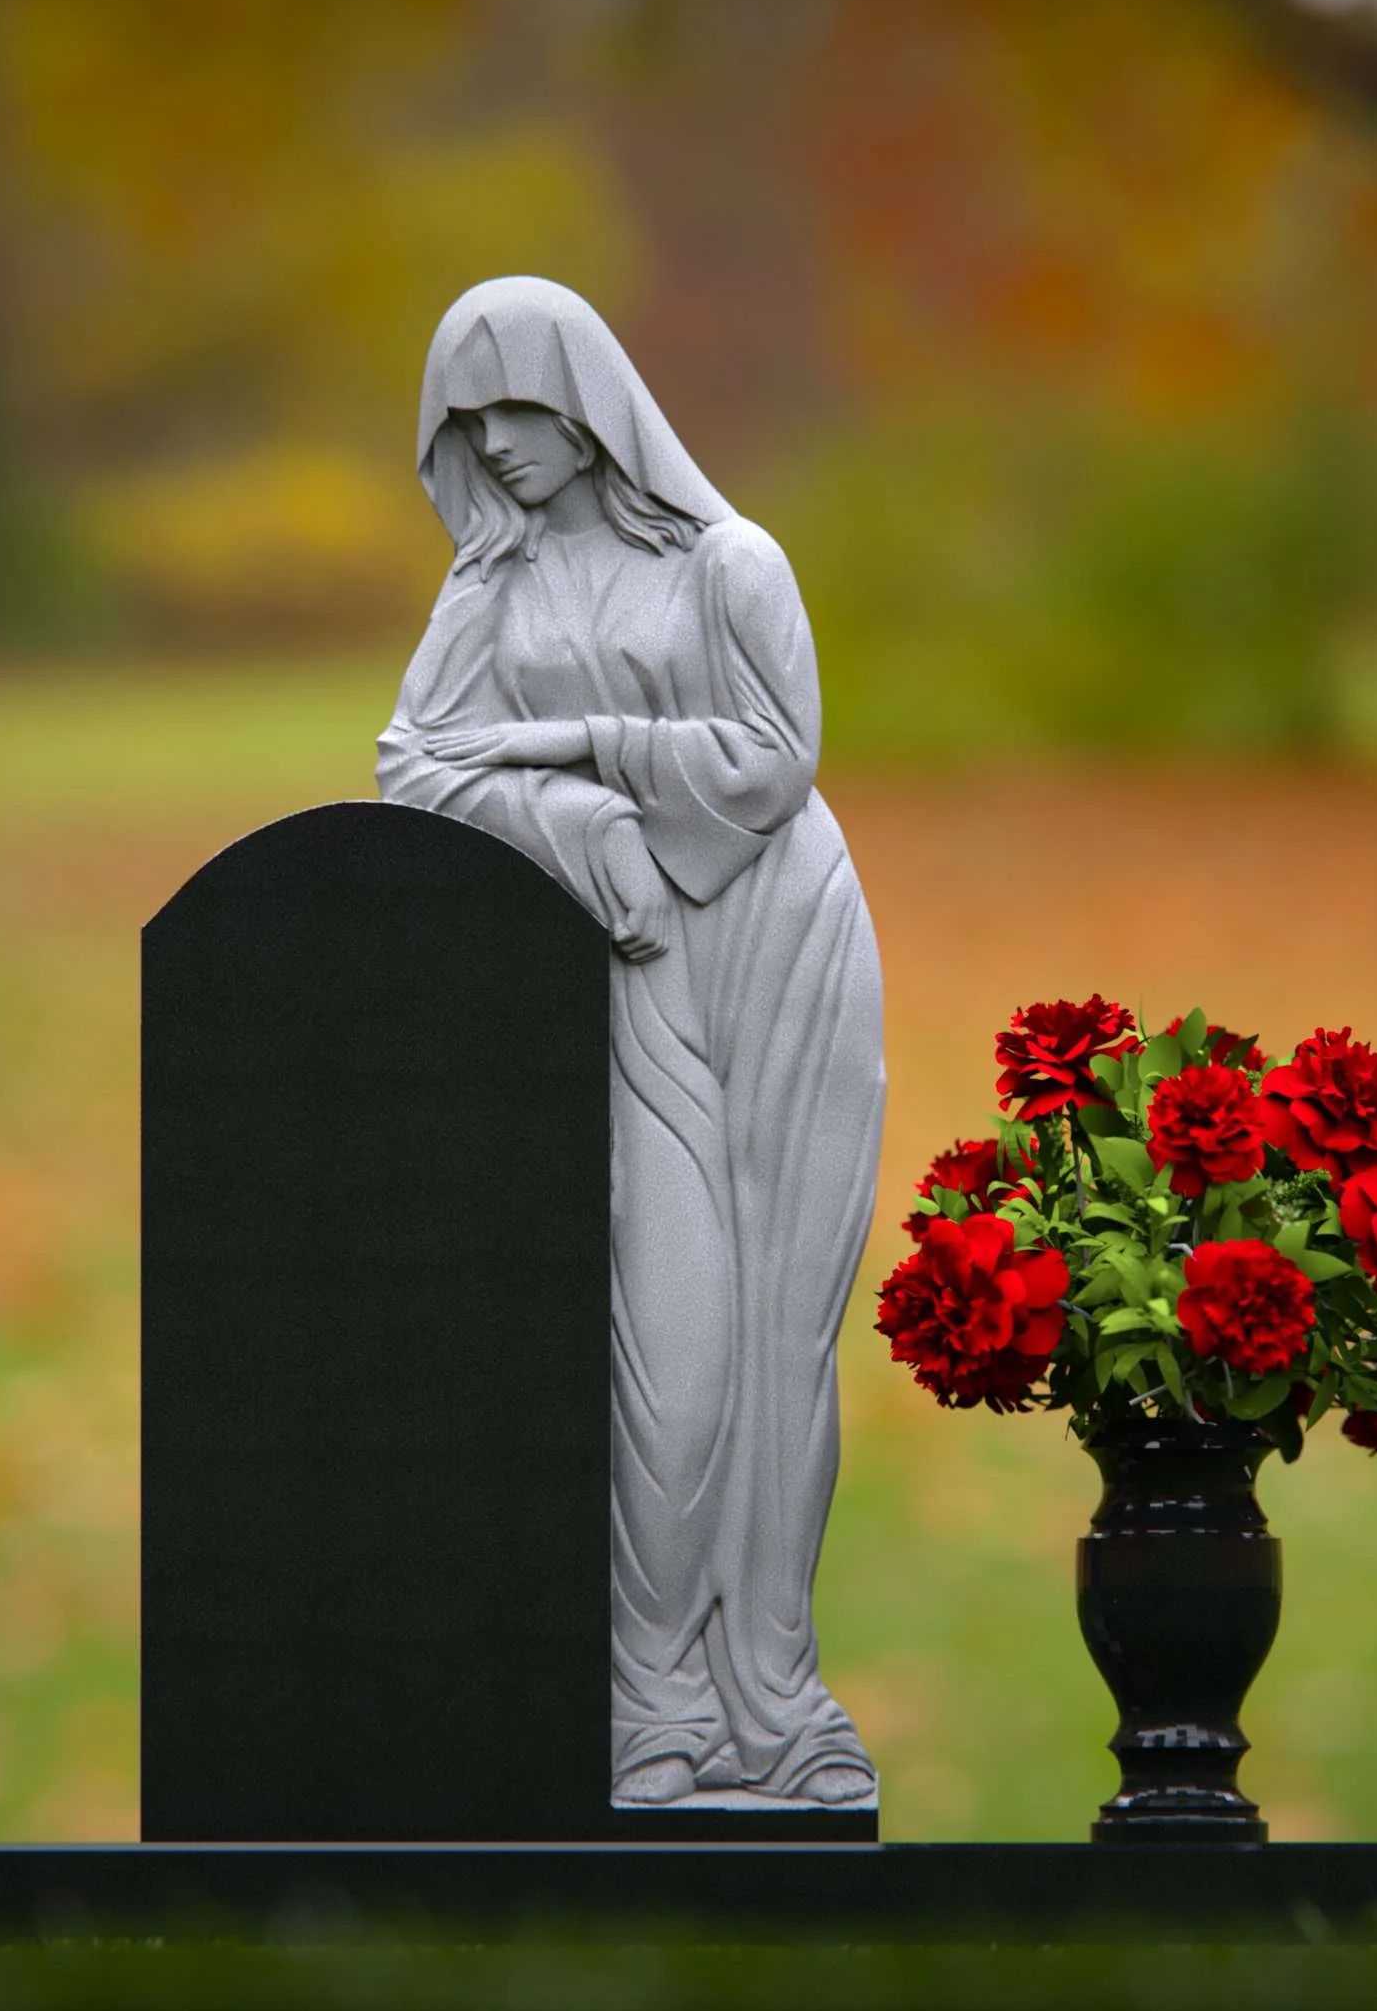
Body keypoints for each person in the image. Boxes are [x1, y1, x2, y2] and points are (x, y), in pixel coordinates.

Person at [377, 277, 882, 1806]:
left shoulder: (732, 565)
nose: (498, 445)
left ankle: (760, 1691)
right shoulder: (492, 584)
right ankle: (643, 1689)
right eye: (465, 421)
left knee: (777, 1331)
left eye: (516, 405)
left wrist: (563, 742)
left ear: (589, 400)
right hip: (614, 966)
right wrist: (577, 816)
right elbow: (410, 771)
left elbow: (775, 761)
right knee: (671, 1339)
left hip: (774, 949)